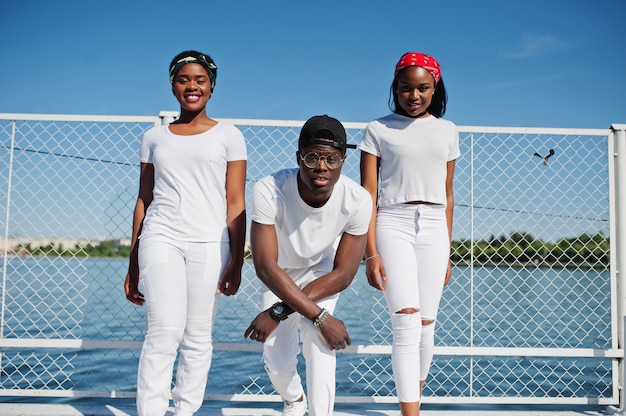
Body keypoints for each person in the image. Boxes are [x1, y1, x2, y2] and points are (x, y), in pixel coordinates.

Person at [123, 50, 247, 416]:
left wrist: (237, 260)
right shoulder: (154, 137)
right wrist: (133, 263)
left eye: (200, 80)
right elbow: (144, 199)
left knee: (196, 338)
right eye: (183, 79)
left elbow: (236, 201)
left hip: (210, 243)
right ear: (173, 85)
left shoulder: (230, 136)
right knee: (163, 332)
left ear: (211, 87)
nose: (191, 86)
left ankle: (185, 411)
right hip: (161, 236)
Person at [244, 115, 372, 416]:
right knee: (276, 359)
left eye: (331, 158)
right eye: (312, 157)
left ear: (343, 160)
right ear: (299, 156)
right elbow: (264, 265)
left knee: (318, 340)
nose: (321, 166)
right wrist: (318, 316)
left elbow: (344, 273)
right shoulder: (269, 188)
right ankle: (294, 399)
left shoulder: (358, 200)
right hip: (278, 274)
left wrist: (281, 312)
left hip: (322, 273)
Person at [359, 52, 460, 416]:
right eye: (405, 88)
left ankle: (413, 398)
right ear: (395, 89)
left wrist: (447, 251)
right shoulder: (377, 129)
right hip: (393, 222)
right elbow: (367, 194)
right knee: (405, 321)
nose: (413, 96)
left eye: (422, 88)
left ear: (435, 89)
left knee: (427, 324)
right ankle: (410, 413)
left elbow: (448, 195)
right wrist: (371, 253)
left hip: (434, 225)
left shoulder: (447, 131)